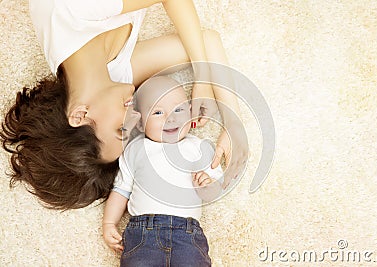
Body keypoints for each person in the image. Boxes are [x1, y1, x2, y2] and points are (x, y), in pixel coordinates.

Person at [0, 0, 245, 210]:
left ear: (79, 115)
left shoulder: (66, 10)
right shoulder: (112, 80)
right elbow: (207, 41)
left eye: (121, 129)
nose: (137, 117)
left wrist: (203, 74)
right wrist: (233, 124)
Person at [102, 76, 223, 266]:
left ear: (190, 113)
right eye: (158, 112)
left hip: (187, 234)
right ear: (140, 124)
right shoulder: (135, 149)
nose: (171, 118)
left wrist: (208, 184)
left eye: (178, 109)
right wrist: (109, 223)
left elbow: (217, 185)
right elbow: (120, 191)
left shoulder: (200, 148)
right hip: (143, 233)